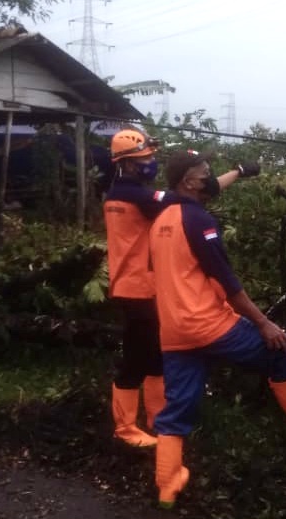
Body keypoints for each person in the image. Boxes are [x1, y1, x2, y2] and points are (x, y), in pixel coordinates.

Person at [148, 149, 286, 508]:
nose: (209, 174)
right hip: (208, 325)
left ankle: (167, 483)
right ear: (188, 181)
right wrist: (264, 323)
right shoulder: (199, 222)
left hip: (174, 329)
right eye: (204, 170)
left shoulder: (163, 218)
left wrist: (240, 171)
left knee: (179, 403)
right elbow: (228, 284)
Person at [104, 129, 259, 448]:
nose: (152, 161)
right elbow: (201, 191)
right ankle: (125, 429)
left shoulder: (120, 193)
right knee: (136, 358)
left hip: (136, 286)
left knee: (156, 356)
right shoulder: (136, 196)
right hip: (139, 290)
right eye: (145, 157)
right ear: (129, 164)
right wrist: (240, 172)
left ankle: (157, 421)